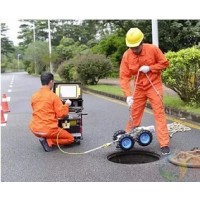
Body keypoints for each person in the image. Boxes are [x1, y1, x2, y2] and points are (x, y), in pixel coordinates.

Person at [119, 27, 170, 155]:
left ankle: (164, 144)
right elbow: (124, 76)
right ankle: (127, 139)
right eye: (132, 47)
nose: (134, 50)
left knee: (159, 113)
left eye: (136, 46)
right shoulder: (127, 55)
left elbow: (164, 63)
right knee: (134, 114)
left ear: (142, 42)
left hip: (153, 85)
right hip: (139, 87)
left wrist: (151, 68)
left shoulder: (152, 49)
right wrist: (128, 96)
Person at [29, 72, 74, 152]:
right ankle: (49, 141)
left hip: (35, 129)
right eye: (53, 82)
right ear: (51, 82)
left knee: (49, 130)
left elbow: (37, 110)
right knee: (70, 138)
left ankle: (46, 138)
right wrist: (66, 105)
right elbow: (62, 114)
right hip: (49, 130)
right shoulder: (53, 96)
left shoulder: (34, 96)